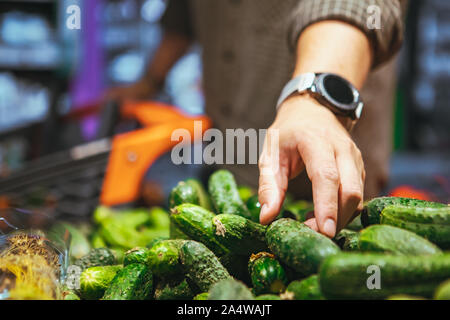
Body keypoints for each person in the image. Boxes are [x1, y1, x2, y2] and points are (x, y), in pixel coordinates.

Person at [107, 0, 407, 238]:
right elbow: (182, 15)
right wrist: (149, 81)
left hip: (327, 153)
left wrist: (314, 96)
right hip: (233, 149)